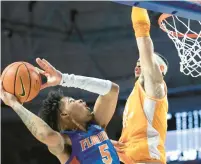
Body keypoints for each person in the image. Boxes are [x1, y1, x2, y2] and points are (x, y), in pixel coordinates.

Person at [0, 58, 121, 164]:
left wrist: (64, 79)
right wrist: (14, 104)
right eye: (71, 100)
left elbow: (112, 90)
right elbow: (47, 135)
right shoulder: (66, 144)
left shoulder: (96, 125)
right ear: (64, 114)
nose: (80, 100)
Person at [114, 7, 169, 164]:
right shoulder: (136, 93)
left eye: (142, 63)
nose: (137, 66)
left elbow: (144, 43)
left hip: (147, 159)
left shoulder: (156, 87)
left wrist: (138, 4)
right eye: (137, 63)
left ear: (159, 69)